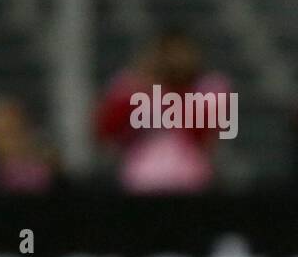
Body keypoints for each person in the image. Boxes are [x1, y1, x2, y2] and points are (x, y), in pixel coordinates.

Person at [94, 28, 230, 194]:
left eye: (182, 53)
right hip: (139, 179)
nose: (176, 61)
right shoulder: (131, 86)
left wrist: (163, 91)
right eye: (169, 55)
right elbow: (105, 131)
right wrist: (143, 87)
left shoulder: (211, 87)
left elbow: (202, 134)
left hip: (191, 178)